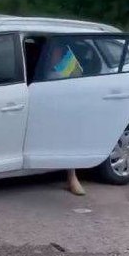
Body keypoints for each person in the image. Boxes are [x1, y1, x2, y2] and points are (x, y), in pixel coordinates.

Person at [46, 42, 86, 196]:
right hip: (43, 104)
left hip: (61, 106)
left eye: (56, 51)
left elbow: (77, 86)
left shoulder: (67, 63)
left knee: (71, 131)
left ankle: (72, 177)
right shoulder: (43, 62)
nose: (52, 55)